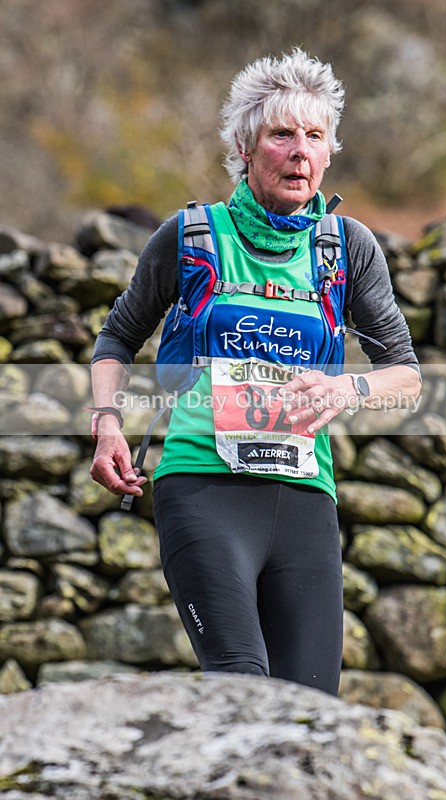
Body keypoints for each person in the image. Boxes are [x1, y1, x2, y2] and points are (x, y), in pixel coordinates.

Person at [89, 48, 421, 697]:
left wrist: (345, 387)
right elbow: (116, 338)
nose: (300, 151)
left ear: (329, 153)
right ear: (245, 147)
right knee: (242, 686)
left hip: (303, 498)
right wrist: (106, 425)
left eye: (315, 136)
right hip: (202, 488)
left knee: (311, 708)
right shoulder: (192, 237)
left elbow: (405, 375)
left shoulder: (344, 248)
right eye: (282, 134)